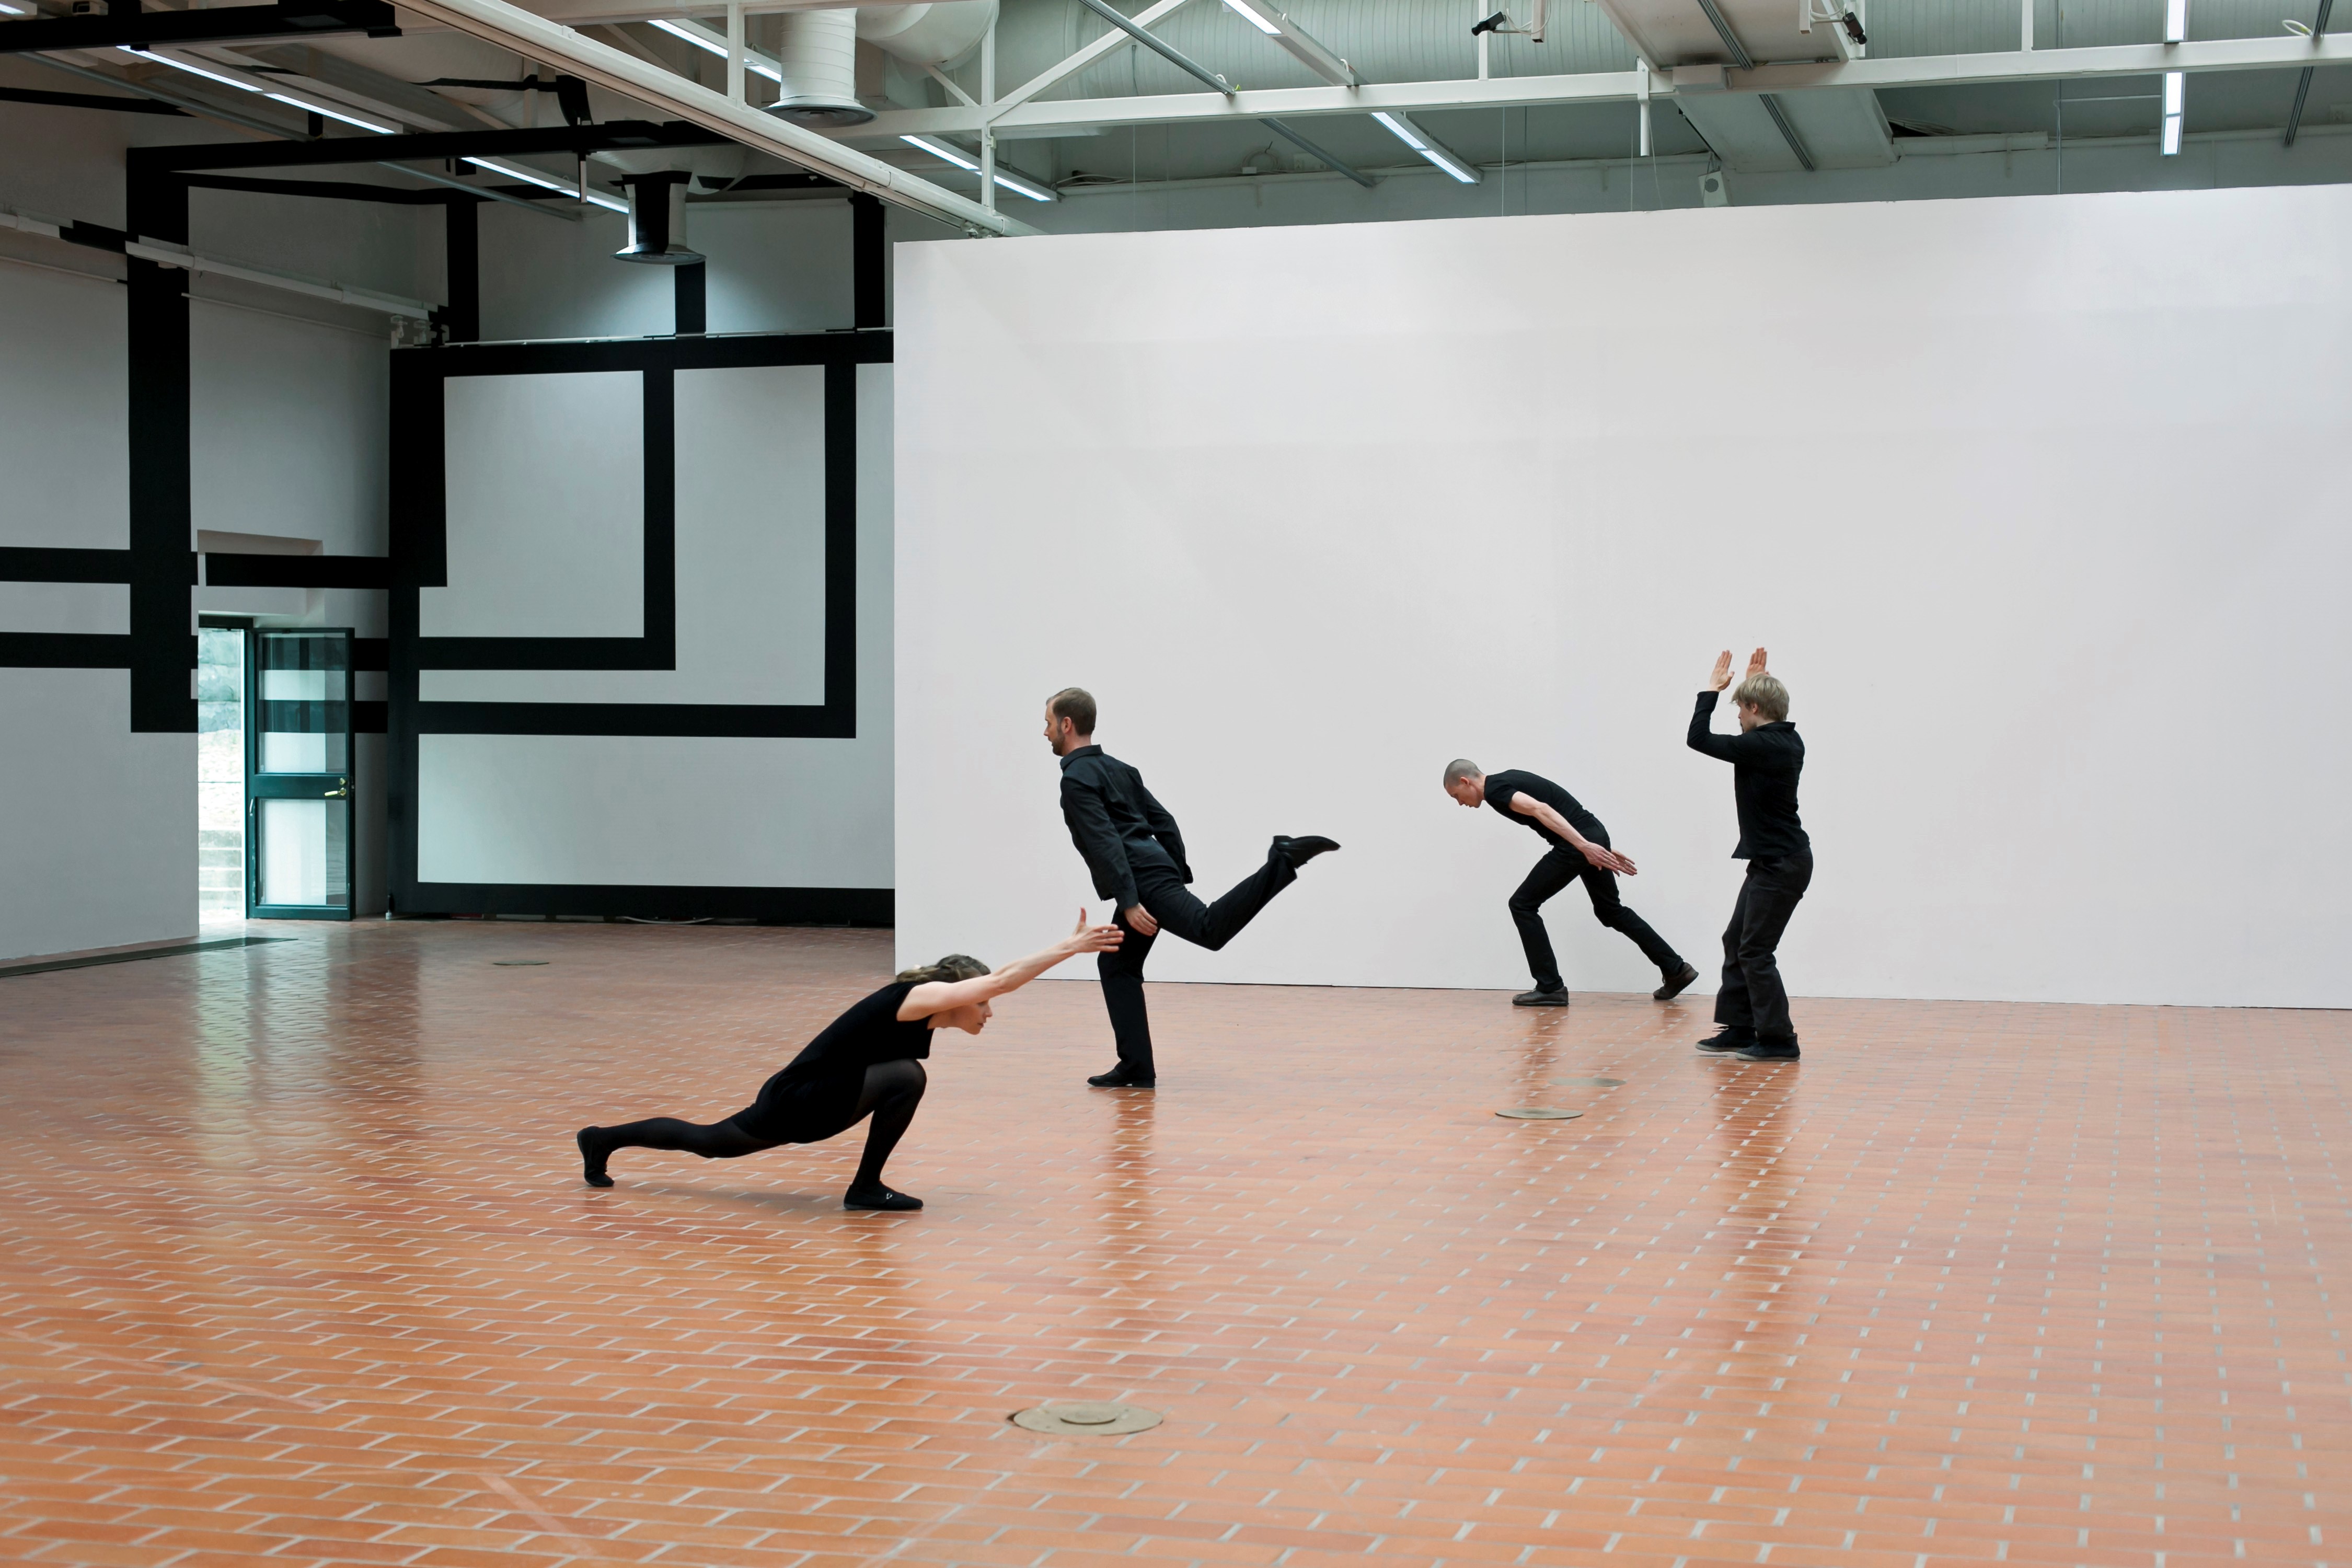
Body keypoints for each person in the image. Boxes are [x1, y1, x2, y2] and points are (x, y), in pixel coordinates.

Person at [574, 912, 1124, 1209]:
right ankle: (865, 1188)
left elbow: (998, 982)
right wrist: (1068, 948)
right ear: (958, 992)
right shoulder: (917, 998)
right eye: (980, 1002)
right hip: (799, 1098)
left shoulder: (924, 1011)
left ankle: (601, 1139)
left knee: (711, 1143)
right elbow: (1002, 980)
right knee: (907, 1075)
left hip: (809, 1098)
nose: (989, 1011)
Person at [1045, 686, 1339, 1089]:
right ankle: (1136, 1067)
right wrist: (1175, 870)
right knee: (1117, 965)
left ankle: (1282, 860)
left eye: (1048, 723)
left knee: (1207, 928)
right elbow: (1163, 821)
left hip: (1140, 879)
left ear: (1067, 724)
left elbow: (1104, 841)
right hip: (1151, 870)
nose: (1044, 732)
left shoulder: (1076, 779)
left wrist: (1132, 900)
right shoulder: (1120, 769)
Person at [1442, 762, 1700, 1007]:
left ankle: (1550, 987)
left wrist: (1585, 846)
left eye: (1456, 796)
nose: (1460, 803)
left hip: (1578, 844)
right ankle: (1676, 970)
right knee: (1610, 910)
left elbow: (1541, 809)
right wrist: (1596, 843)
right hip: (1591, 832)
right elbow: (1562, 809)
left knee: (1522, 905)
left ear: (1465, 781)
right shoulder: (1507, 779)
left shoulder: (1496, 791)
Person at [1688, 648, 1812, 1062]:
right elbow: (1751, 733)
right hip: (1773, 861)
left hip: (1782, 865)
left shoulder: (1764, 745)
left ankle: (1779, 1041)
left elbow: (1698, 739)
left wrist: (1712, 689)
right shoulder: (1783, 739)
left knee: (1756, 951)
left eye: (1741, 708)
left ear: (1755, 708)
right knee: (1737, 940)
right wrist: (1751, 685)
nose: (1738, 716)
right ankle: (1741, 1028)